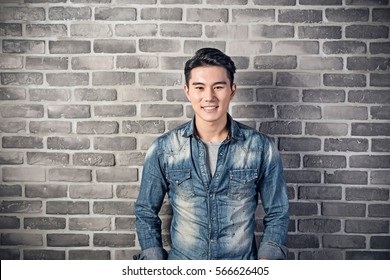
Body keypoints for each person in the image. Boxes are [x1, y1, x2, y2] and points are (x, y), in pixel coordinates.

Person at [134, 48, 289, 260]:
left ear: (232, 91)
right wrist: (155, 262)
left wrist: (266, 263)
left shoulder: (261, 147)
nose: (209, 97)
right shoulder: (164, 148)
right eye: (200, 87)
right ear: (187, 91)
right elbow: (145, 211)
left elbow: (278, 212)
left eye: (218, 87)